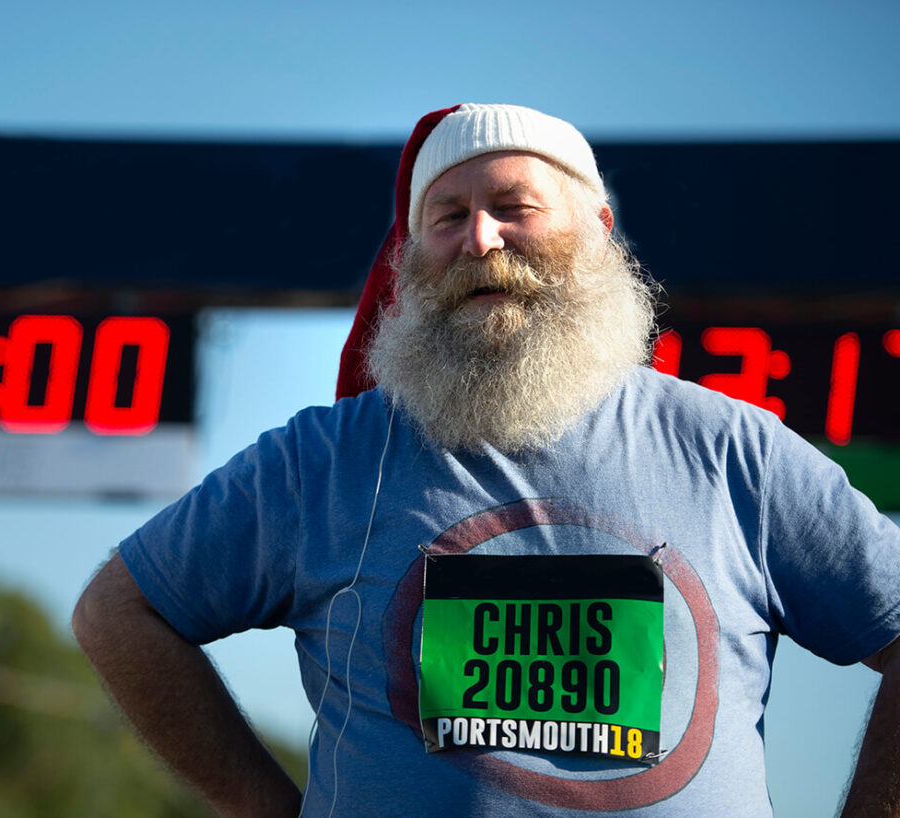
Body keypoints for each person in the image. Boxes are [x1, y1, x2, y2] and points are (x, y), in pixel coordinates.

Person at [72, 103, 900, 817]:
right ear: (410, 256)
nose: (479, 238)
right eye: (446, 217)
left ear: (598, 230)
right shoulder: (322, 461)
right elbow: (118, 611)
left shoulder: (732, 451)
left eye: (514, 207)